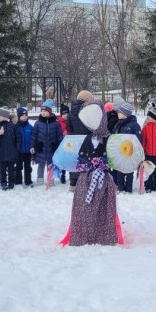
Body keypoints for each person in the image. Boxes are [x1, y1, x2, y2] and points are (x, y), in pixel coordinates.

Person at [61, 101, 122, 246]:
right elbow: (81, 158)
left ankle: (102, 235)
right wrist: (89, 165)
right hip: (86, 179)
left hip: (103, 180)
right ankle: (83, 234)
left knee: (103, 207)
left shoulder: (109, 139)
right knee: (84, 206)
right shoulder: (88, 139)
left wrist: (103, 165)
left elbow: (114, 158)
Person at [30, 100, 63, 186]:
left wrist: (60, 147)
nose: (43, 113)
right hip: (41, 148)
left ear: (50, 112)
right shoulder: (38, 123)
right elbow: (33, 135)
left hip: (52, 148)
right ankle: (40, 181)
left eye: (45, 111)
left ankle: (50, 180)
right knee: (41, 165)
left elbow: (59, 136)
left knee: (51, 165)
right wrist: (32, 146)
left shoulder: (56, 123)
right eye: (42, 111)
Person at [112, 99, 142, 193]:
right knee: (120, 171)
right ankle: (121, 189)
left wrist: (137, 152)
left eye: (119, 112)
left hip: (130, 154)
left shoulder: (134, 125)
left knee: (129, 172)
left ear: (125, 114)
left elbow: (138, 139)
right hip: (120, 153)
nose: (117, 114)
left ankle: (129, 189)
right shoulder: (118, 124)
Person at [0, 106, 21, 190]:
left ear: (4, 116)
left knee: (11, 169)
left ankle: (11, 182)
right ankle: (3, 182)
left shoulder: (13, 126)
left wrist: (17, 149)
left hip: (12, 152)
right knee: (2, 169)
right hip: (1, 152)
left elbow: (18, 138)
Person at [15, 107, 33, 188]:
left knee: (27, 167)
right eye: (22, 115)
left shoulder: (30, 127)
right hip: (19, 151)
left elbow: (32, 138)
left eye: (26, 115)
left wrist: (32, 147)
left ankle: (28, 181)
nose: (24, 116)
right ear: (19, 116)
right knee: (19, 167)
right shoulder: (16, 127)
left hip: (27, 151)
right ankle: (18, 181)